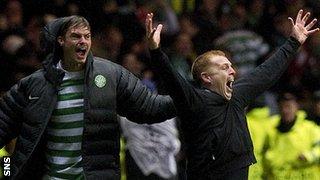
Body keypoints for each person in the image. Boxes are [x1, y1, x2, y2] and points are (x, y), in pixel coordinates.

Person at [145, 10, 319, 179]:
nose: (233, 71)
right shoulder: (194, 100)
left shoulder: (236, 96)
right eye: (224, 67)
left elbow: (266, 72)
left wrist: (294, 41)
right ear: (207, 77)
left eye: (231, 65)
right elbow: (173, 80)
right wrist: (156, 51)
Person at [0, 15, 176, 179]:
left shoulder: (111, 76)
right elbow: (4, 134)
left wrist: (194, 96)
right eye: (76, 36)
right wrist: (6, 174)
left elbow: (152, 108)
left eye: (87, 36)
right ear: (61, 41)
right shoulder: (34, 84)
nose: (83, 41)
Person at [262, 93, 320, 180]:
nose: (285, 111)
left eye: (288, 107)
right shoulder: (271, 129)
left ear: (297, 107)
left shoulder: (310, 128)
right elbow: (264, 154)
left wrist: (308, 156)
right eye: (282, 107)